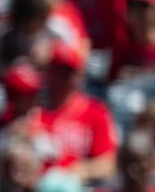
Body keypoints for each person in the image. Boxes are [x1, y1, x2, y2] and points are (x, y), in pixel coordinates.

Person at [34, 41, 119, 184]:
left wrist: (80, 170)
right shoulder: (35, 112)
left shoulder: (96, 112)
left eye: (67, 72)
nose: (61, 78)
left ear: (78, 75)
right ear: (48, 72)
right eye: (57, 70)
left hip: (77, 190)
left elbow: (109, 164)